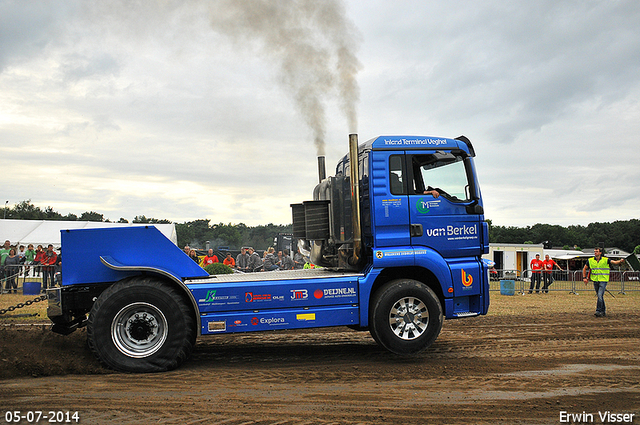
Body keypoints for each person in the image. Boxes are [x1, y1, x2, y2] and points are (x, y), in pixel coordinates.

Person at [582, 247, 625, 317]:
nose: (595, 252)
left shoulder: (606, 260)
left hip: (603, 280)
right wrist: (584, 278)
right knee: (600, 296)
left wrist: (620, 261)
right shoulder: (590, 260)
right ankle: (603, 311)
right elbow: (584, 268)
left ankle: (598, 311)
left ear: (600, 253)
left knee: (599, 295)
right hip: (595, 280)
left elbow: (614, 262)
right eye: (594, 251)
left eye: (596, 251)